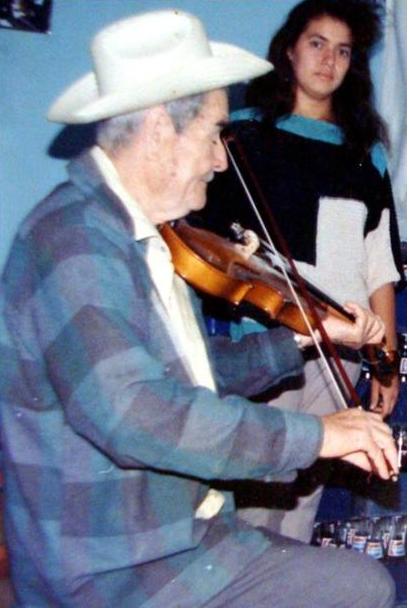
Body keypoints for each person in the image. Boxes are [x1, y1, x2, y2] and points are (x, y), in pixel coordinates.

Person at [0, 9, 398, 608]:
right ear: (160, 128)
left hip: (180, 533)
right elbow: (137, 413)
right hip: (114, 567)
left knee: (361, 582)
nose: (219, 159)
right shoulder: (72, 242)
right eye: (214, 134)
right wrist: (316, 435)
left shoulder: (135, 237)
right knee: (360, 591)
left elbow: (193, 371)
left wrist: (301, 335)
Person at [193, 0, 403, 542]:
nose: (329, 61)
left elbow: (378, 262)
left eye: (343, 51)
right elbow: (206, 242)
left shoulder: (367, 152)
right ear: (288, 50)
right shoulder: (240, 138)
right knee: (258, 496)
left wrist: (385, 360)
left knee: (303, 502)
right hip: (269, 342)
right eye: (317, 44)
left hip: (342, 349)